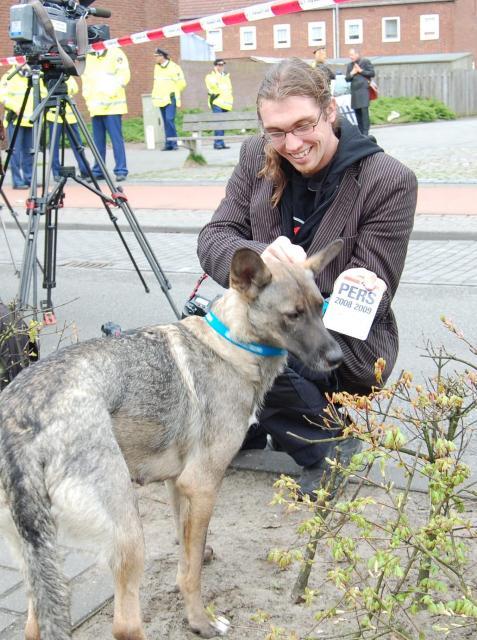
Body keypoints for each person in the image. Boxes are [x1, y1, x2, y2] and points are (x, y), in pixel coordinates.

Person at [197, 58, 417, 499]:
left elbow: (372, 291)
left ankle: (329, 447)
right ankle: (251, 421)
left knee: (254, 344)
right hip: (270, 318)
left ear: (330, 111)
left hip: (343, 336)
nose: (291, 144)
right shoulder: (254, 156)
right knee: (205, 337)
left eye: (302, 125)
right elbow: (214, 238)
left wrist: (294, 280)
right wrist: (263, 258)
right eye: (276, 132)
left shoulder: (388, 180)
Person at [81, 47, 130, 181]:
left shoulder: (116, 53)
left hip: (113, 106)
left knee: (116, 140)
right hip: (96, 106)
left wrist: (111, 93)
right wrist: (87, 97)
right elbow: (86, 80)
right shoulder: (90, 57)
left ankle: (121, 170)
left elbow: (124, 76)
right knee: (97, 142)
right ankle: (98, 170)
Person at [46, 76, 89, 181]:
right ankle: (56, 173)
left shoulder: (66, 76)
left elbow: (74, 88)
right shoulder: (48, 77)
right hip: (54, 117)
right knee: (54, 147)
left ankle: (85, 171)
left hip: (70, 117)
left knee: (77, 145)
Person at [0, 66, 34, 189]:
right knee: (14, 152)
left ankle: (29, 178)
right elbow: (2, 95)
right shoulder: (9, 76)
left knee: (29, 152)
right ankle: (17, 180)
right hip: (15, 120)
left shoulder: (31, 76)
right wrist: (14, 106)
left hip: (30, 120)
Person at [152, 49, 186, 151]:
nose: (155, 58)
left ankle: (174, 142)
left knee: (169, 119)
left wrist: (174, 91)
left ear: (162, 56)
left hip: (171, 98)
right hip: (160, 98)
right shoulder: (156, 68)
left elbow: (182, 83)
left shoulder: (174, 67)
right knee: (165, 121)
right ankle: (168, 144)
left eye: (156, 56)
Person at [205, 58, 233, 150]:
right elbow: (213, 86)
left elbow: (228, 90)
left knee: (222, 123)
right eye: (219, 65)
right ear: (215, 66)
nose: (221, 67)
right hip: (216, 102)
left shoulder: (226, 76)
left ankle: (221, 142)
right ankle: (218, 143)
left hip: (225, 103)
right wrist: (217, 75)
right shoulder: (210, 76)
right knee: (218, 123)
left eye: (222, 65)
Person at [345, 48, 375, 137]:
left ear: (357, 54)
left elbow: (372, 73)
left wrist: (361, 71)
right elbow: (347, 79)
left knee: (364, 112)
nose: (350, 57)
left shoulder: (365, 62)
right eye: (349, 55)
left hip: (363, 91)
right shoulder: (350, 65)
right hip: (355, 92)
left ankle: (366, 132)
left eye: (352, 55)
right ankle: (361, 132)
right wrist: (352, 73)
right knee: (357, 112)